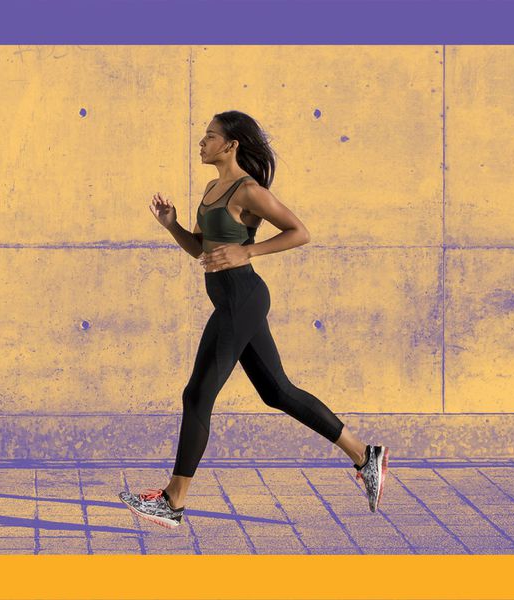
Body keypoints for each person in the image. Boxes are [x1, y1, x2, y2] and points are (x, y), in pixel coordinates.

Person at [119, 110, 388, 529]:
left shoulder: (248, 190)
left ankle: (174, 501)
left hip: (242, 299)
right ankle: (364, 455)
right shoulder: (211, 189)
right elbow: (199, 251)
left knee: (197, 395)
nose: (202, 142)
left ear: (231, 145)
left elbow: (300, 231)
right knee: (277, 391)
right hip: (230, 303)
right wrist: (171, 226)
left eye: (210, 136)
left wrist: (250, 251)